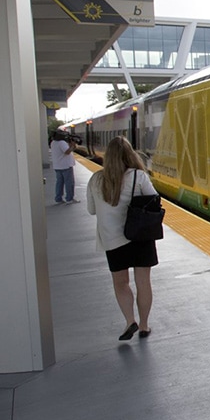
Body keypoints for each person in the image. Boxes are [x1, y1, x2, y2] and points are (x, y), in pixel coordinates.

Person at [86, 136, 159, 340]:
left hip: (112, 239)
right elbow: (154, 201)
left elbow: (91, 210)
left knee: (120, 283)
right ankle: (144, 325)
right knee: (143, 281)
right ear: (130, 154)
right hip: (140, 237)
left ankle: (130, 321)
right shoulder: (139, 177)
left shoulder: (96, 180)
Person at [49, 131, 78, 204]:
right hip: (66, 166)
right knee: (69, 183)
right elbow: (67, 152)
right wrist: (72, 146)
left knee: (59, 183)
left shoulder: (53, 143)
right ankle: (69, 199)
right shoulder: (61, 142)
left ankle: (58, 199)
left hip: (57, 166)